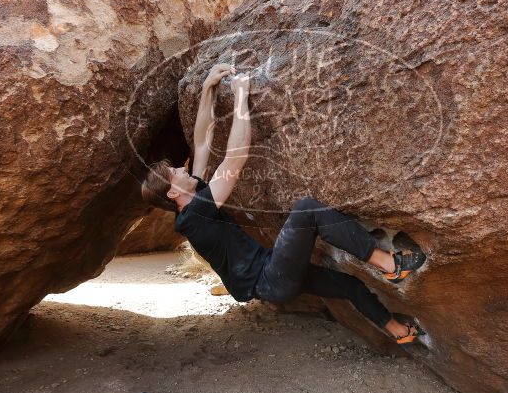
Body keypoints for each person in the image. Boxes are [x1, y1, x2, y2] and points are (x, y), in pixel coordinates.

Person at [141, 63, 427, 343]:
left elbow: (202, 142)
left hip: (273, 272)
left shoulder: (194, 198)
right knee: (307, 210)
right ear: (172, 193)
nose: (182, 169)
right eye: (174, 173)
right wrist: (241, 97)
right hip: (270, 278)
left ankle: (397, 331)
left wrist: (207, 89)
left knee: (349, 286)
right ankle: (389, 264)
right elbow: (235, 159)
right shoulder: (196, 215)